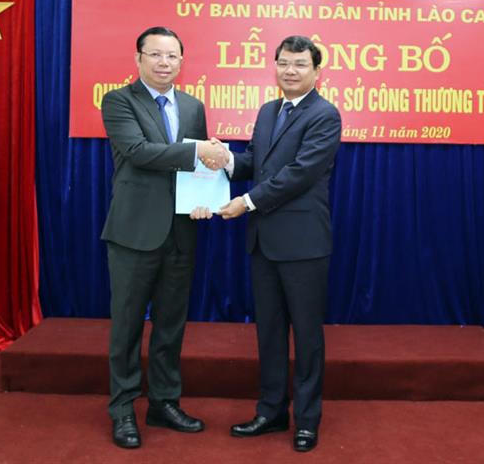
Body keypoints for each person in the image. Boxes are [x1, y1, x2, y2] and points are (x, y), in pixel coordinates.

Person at [100, 26, 227, 450]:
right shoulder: (119, 100)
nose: (163, 62)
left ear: (181, 62)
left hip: (181, 231)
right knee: (127, 326)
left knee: (171, 325)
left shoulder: (192, 106)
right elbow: (138, 152)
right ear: (138, 58)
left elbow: (198, 170)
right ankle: (122, 409)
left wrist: (205, 198)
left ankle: (164, 402)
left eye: (172, 56)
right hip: (134, 232)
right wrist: (198, 152)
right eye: (155, 54)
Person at [218, 35, 341, 452]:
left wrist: (246, 202)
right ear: (275, 66)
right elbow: (256, 162)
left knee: (306, 337)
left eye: (300, 64)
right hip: (264, 242)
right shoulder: (268, 111)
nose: (290, 71)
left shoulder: (324, 115)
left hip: (304, 244)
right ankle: (270, 412)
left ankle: (307, 420)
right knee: (269, 334)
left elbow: (300, 174)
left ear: (316, 71)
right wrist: (225, 159)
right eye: (284, 63)